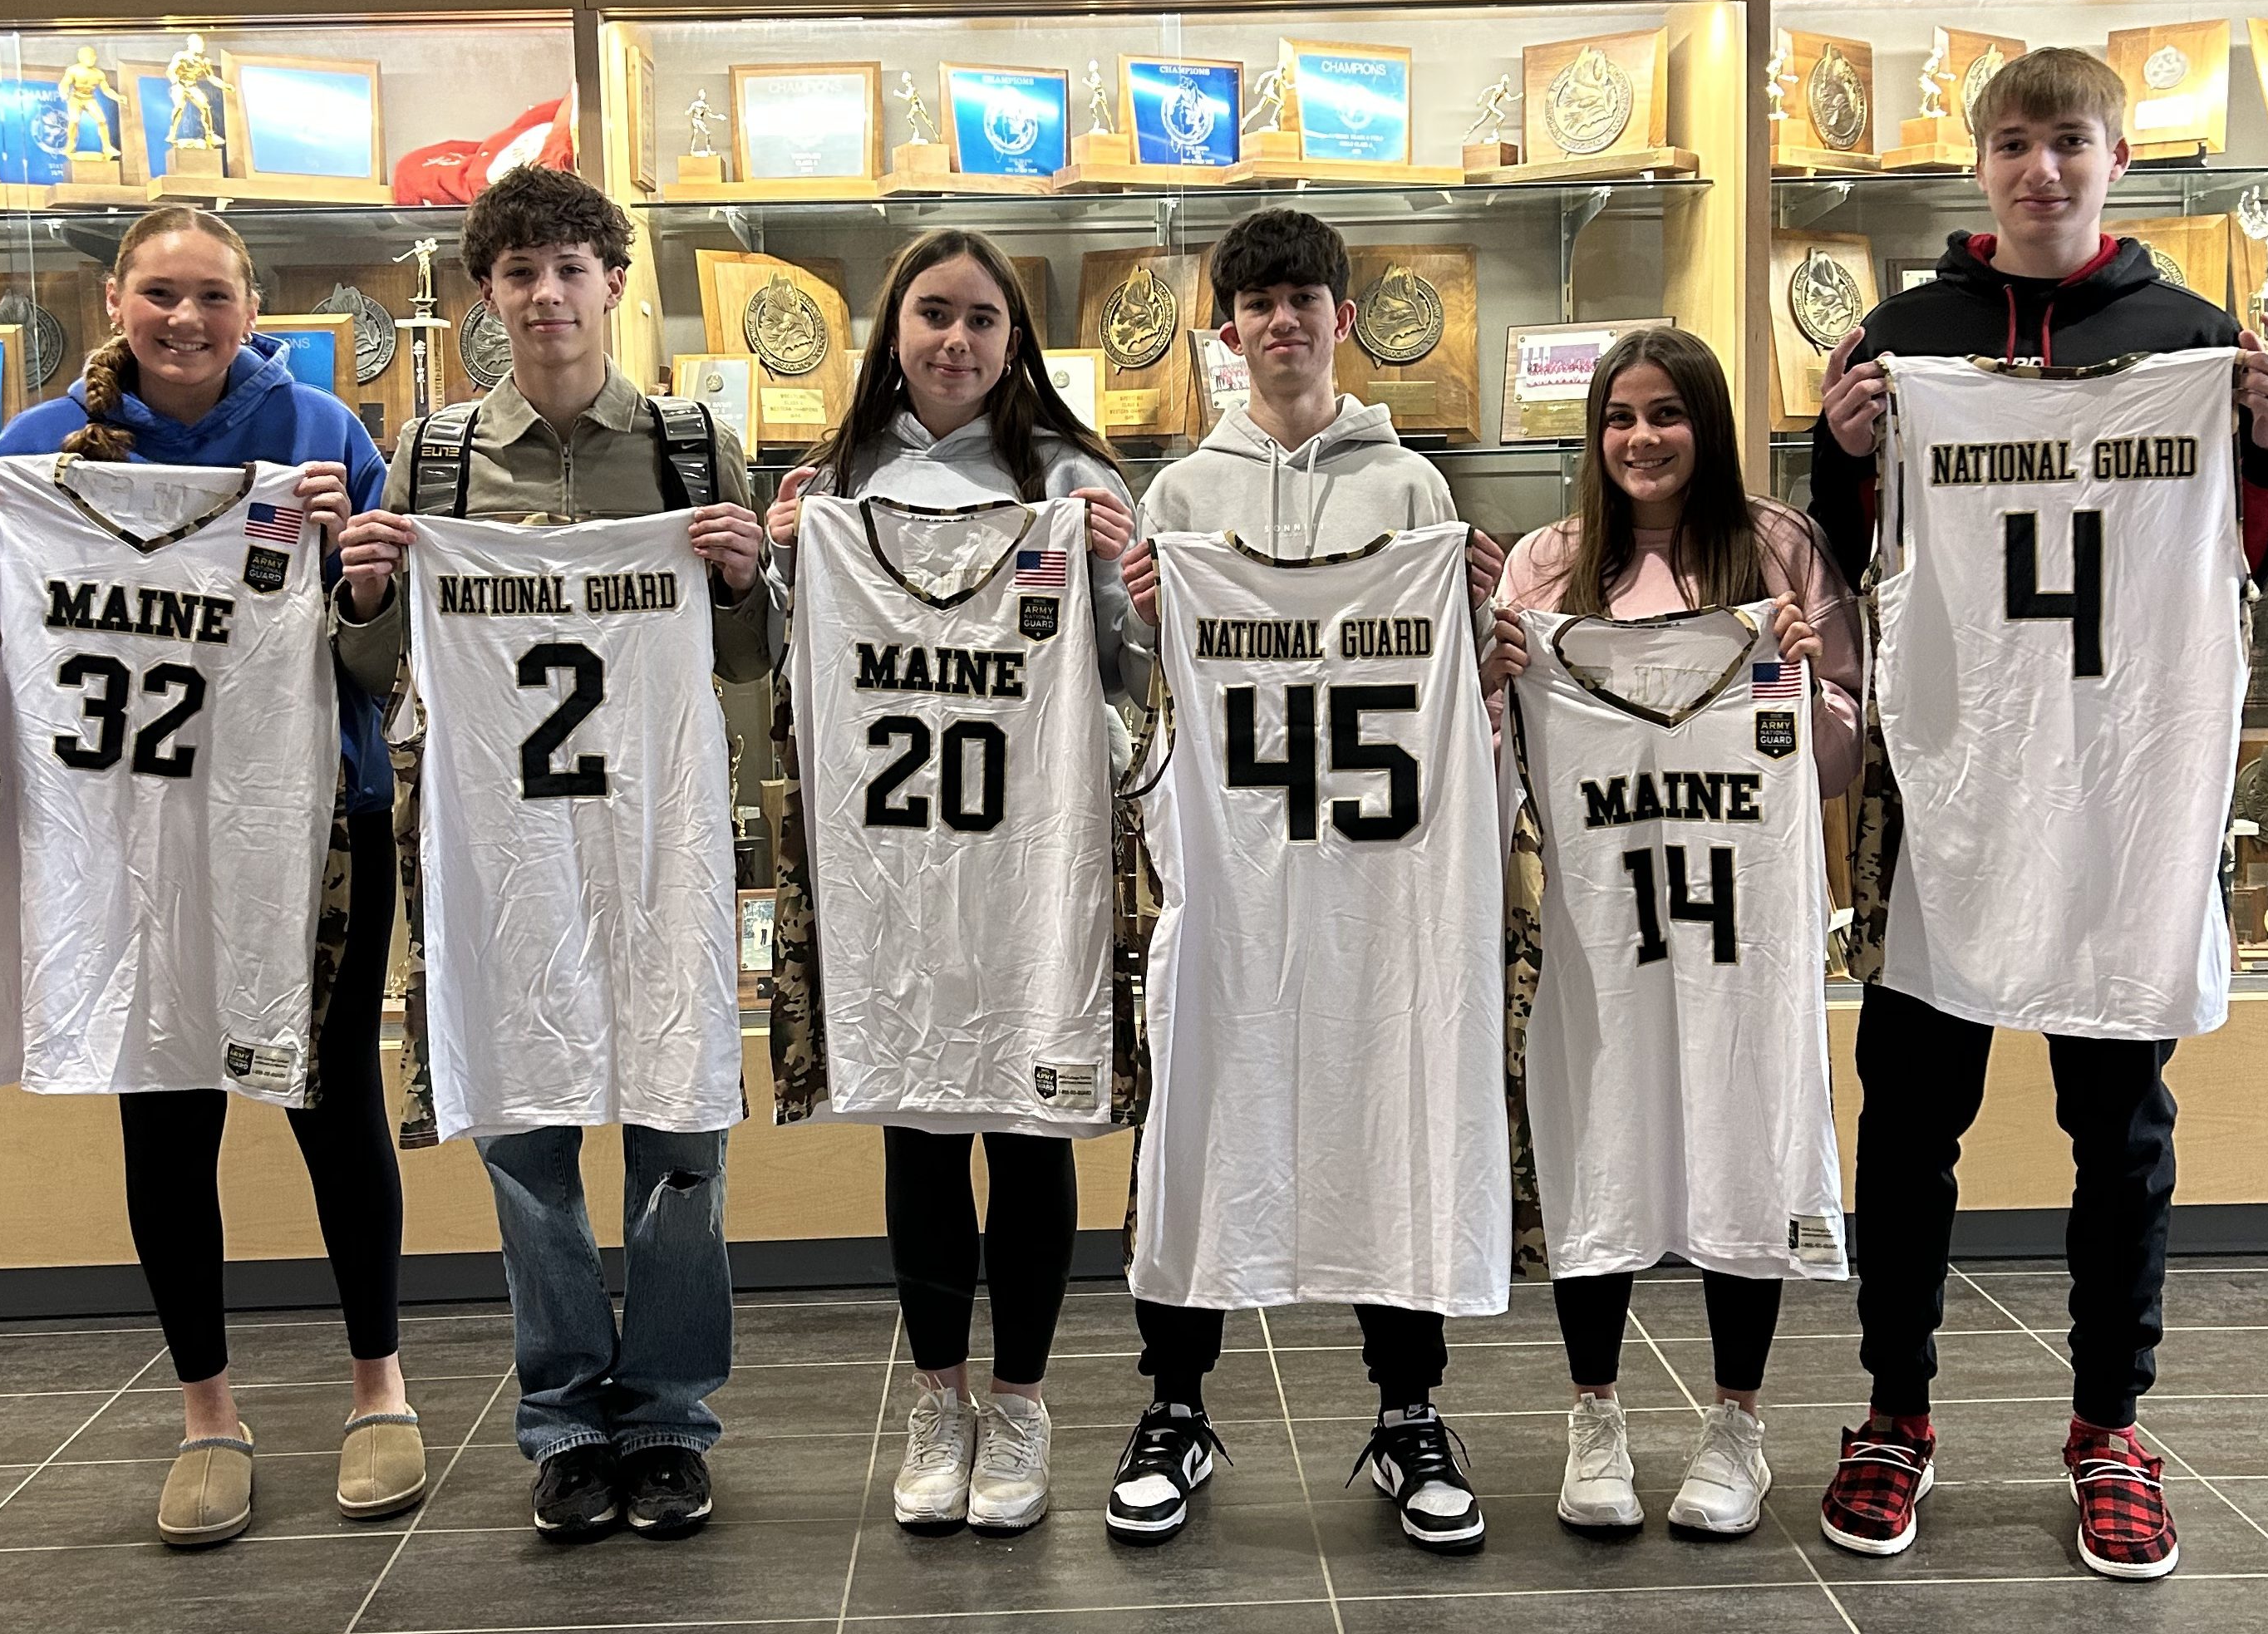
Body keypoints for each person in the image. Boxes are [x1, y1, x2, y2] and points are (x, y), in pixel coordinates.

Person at [1805, 47, 2268, 1579]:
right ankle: (1895, 1411)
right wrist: (1843, 455)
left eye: (2071, 141)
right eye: (2017, 142)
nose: (2043, 169)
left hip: (2122, 790)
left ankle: (2111, 1427)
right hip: (1950, 784)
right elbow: (1857, 555)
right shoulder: (1905, 340)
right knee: (1910, 1120)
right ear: (1979, 164)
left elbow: (2247, 559)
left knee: (2121, 1126)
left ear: (2116, 159)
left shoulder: (2198, 341)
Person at [0, 204, 410, 1548]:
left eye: (211, 295)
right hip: (126, 832)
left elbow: (388, 651)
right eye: (160, 294)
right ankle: (208, 1413)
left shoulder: (323, 434)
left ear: (251, 308)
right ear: (115, 302)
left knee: (332, 1101)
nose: (185, 320)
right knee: (165, 1108)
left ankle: (380, 1386)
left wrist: (359, 565)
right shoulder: (36, 449)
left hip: (314, 822)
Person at [335, 165, 770, 1543]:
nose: (546, 295)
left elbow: (747, 660)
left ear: (614, 283)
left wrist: (746, 577)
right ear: (488, 294)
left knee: (681, 1139)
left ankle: (672, 1415)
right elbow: (375, 672)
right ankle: (569, 1418)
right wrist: (365, 594)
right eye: (519, 272)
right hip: (504, 851)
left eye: (571, 267)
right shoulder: (436, 459)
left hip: (658, 848)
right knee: (526, 1144)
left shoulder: (692, 449)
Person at [1109, 206, 1507, 1550]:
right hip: (1233, 880)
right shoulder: (1181, 499)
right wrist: (1149, 618)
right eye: (1258, 303)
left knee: (1392, 1107)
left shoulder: (1416, 494)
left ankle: (1409, 1409)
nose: (1283, 321)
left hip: (1378, 883)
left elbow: (1455, 688)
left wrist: (1477, 621)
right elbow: (1148, 691)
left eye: (1304, 300)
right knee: (1201, 1117)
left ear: (1343, 318)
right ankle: (1175, 1401)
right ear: (1228, 331)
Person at [765, 229, 1138, 1536]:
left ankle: (1021, 1402)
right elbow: (780, 665)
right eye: (934, 313)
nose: (957, 340)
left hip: (1032, 865)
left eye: (984, 318)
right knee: (918, 1124)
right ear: (895, 329)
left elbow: (1133, 670)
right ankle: (939, 1399)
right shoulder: (835, 480)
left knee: (1030, 1130)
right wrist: (778, 557)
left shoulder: (1073, 478)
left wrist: (1120, 570)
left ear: (1015, 339)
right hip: (894, 874)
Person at [1480, 325, 1862, 1538]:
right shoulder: (1546, 566)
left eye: (1666, 413)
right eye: (1619, 417)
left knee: (1745, 1131)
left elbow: (1841, 760)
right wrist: (1489, 682)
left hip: (1741, 931)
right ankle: (1594, 1416)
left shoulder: (1778, 548)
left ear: (1709, 422)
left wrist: (1807, 680)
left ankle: (1737, 1422)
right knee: (1597, 1136)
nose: (1642, 439)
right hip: (1601, 926)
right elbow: (1485, 767)